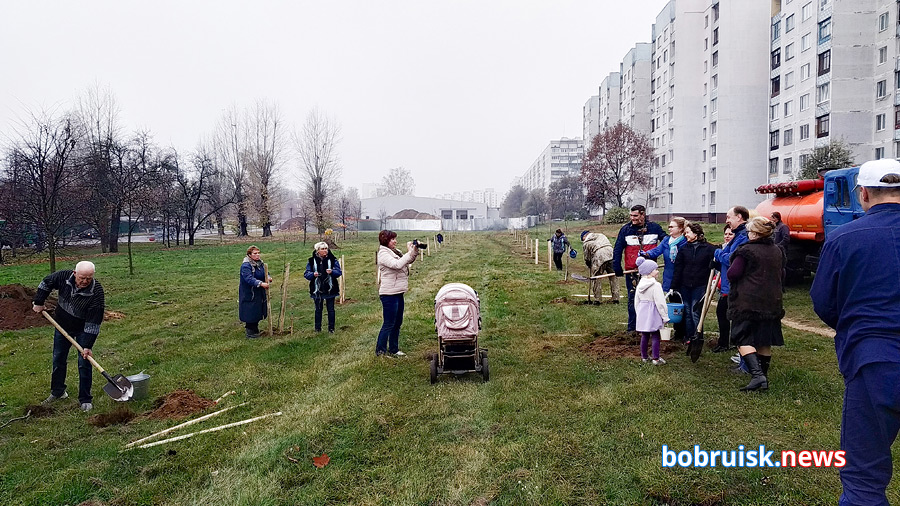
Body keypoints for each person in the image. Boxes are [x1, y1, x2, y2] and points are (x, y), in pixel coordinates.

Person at [810, 159, 900, 506]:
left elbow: (823, 301)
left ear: (862, 194)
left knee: (864, 474)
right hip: (873, 354)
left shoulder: (845, 237)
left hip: (874, 362)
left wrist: (855, 326)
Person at [31, 261, 105, 412]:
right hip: (62, 325)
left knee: (84, 362)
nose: (84, 281)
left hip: (83, 329)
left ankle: (85, 399)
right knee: (58, 358)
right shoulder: (63, 277)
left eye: (88, 278)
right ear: (74, 273)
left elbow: (94, 322)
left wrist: (87, 346)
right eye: (82, 277)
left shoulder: (96, 292)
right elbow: (46, 282)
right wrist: (39, 301)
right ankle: (57, 392)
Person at [727, 216, 785, 392]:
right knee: (763, 340)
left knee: (741, 337)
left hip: (748, 301)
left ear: (756, 233)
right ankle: (763, 378)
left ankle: (757, 376)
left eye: (750, 231)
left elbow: (733, 273)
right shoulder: (777, 250)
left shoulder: (746, 251)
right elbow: (781, 274)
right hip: (771, 301)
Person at [612, 205, 666, 332]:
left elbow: (666, 242)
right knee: (633, 299)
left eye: (635, 216)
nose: (633, 219)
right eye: (631, 216)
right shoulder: (626, 230)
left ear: (643, 214)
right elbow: (618, 248)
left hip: (650, 272)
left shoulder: (654, 228)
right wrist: (616, 265)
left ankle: (650, 327)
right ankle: (632, 328)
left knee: (650, 300)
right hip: (632, 271)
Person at [713, 206, 750, 368]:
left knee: (740, 323)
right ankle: (742, 355)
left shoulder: (743, 236)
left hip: (737, 286)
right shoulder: (737, 236)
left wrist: (717, 254)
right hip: (728, 285)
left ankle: (746, 360)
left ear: (739, 217)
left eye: (729, 217)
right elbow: (727, 252)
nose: (727, 220)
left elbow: (730, 259)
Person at [641, 217, 688, 339]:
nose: (669, 228)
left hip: (684, 277)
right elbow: (657, 251)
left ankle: (687, 332)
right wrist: (646, 254)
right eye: (669, 226)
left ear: (681, 229)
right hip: (669, 276)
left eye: (672, 226)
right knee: (674, 304)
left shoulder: (685, 242)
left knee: (684, 305)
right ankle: (678, 332)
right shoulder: (667, 240)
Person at [671, 222, 716, 348]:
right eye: (685, 233)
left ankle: (698, 336)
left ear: (696, 234)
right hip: (685, 285)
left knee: (695, 311)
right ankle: (689, 336)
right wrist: (674, 285)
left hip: (700, 285)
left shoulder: (709, 249)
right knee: (687, 311)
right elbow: (678, 268)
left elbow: (715, 265)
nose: (685, 235)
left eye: (688, 233)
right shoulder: (684, 249)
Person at [376, 230, 419, 357]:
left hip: (398, 292)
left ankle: (394, 349)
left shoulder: (395, 251)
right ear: (385, 240)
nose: (395, 241)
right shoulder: (383, 254)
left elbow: (408, 261)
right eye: (392, 239)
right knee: (389, 323)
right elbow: (397, 264)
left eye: (395, 238)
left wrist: (414, 250)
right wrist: (409, 252)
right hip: (389, 294)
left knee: (397, 322)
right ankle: (380, 351)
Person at [634, 257, 669, 365]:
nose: (657, 271)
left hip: (643, 312)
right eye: (655, 269)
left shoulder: (640, 285)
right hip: (653, 312)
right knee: (655, 335)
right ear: (649, 272)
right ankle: (656, 358)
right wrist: (665, 316)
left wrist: (638, 313)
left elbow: (636, 301)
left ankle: (644, 357)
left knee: (644, 335)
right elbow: (660, 302)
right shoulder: (656, 285)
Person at [304, 242, 342, 333]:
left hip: (330, 288)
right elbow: (306, 274)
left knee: (331, 309)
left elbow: (339, 272)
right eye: (323, 249)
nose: (325, 251)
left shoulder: (333, 260)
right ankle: (317, 329)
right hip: (317, 289)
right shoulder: (311, 261)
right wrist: (313, 274)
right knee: (318, 309)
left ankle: (331, 329)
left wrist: (332, 272)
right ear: (317, 251)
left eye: (326, 249)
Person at [239, 245, 271, 339]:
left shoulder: (260, 263)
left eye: (258, 253)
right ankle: (250, 332)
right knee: (250, 311)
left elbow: (265, 272)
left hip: (259, 292)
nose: (257, 255)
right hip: (250, 292)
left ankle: (255, 329)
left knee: (257, 310)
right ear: (249, 255)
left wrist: (268, 277)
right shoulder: (246, 266)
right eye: (255, 253)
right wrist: (260, 283)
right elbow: (248, 278)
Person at [712, 224, 735, 353]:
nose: (727, 236)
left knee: (726, 314)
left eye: (730, 234)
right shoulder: (725, 247)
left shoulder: (732, 249)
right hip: (724, 288)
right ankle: (724, 341)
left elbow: (729, 261)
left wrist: (718, 253)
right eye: (725, 234)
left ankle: (728, 342)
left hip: (732, 288)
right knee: (722, 314)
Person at [581, 230, 619, 303]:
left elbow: (587, 257)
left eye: (582, 239)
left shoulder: (586, 243)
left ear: (584, 236)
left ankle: (597, 300)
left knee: (596, 277)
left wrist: (589, 265)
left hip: (599, 256)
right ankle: (616, 298)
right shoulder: (601, 235)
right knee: (613, 276)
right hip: (611, 253)